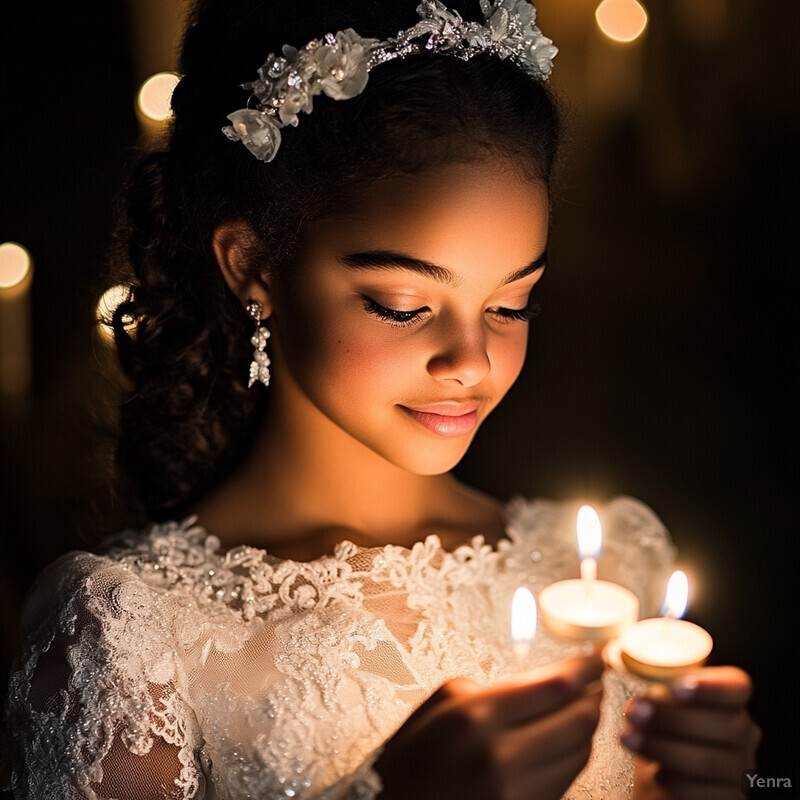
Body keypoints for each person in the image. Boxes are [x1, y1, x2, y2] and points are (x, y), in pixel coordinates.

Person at [1, 1, 759, 798]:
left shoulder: (607, 577)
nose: (470, 361)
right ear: (253, 265)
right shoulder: (124, 632)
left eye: (511, 304)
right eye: (402, 303)